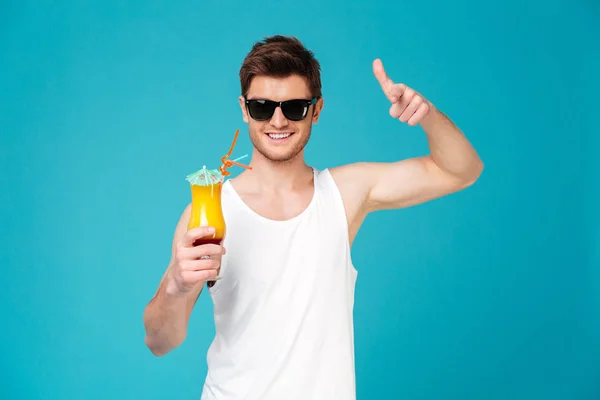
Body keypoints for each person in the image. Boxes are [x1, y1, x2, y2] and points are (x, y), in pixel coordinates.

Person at [143, 35, 484, 400]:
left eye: (294, 107)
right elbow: (160, 342)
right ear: (244, 109)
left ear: (316, 110)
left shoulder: (345, 194)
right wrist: (176, 286)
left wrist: (426, 115)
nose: (277, 120)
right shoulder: (208, 211)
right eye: (262, 107)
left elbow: (460, 170)